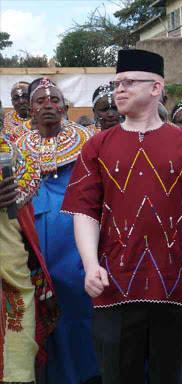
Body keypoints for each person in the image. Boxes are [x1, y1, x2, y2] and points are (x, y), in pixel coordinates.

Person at [61, 49, 182, 384]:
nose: (119, 89)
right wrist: (90, 265)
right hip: (113, 286)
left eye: (129, 82)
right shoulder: (97, 146)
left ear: (156, 87)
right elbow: (84, 210)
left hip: (178, 285)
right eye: (117, 83)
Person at [15, 77, 100, 384]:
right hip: (31, 251)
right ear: (30, 110)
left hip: (77, 252)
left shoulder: (89, 143)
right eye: (40, 101)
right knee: (37, 315)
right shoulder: (15, 149)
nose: (47, 105)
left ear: (65, 107)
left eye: (54, 100)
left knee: (78, 314)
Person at [0, 134, 58, 383]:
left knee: (17, 359)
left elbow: (26, 229)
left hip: (14, 274)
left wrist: (41, 283)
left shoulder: (14, 154)